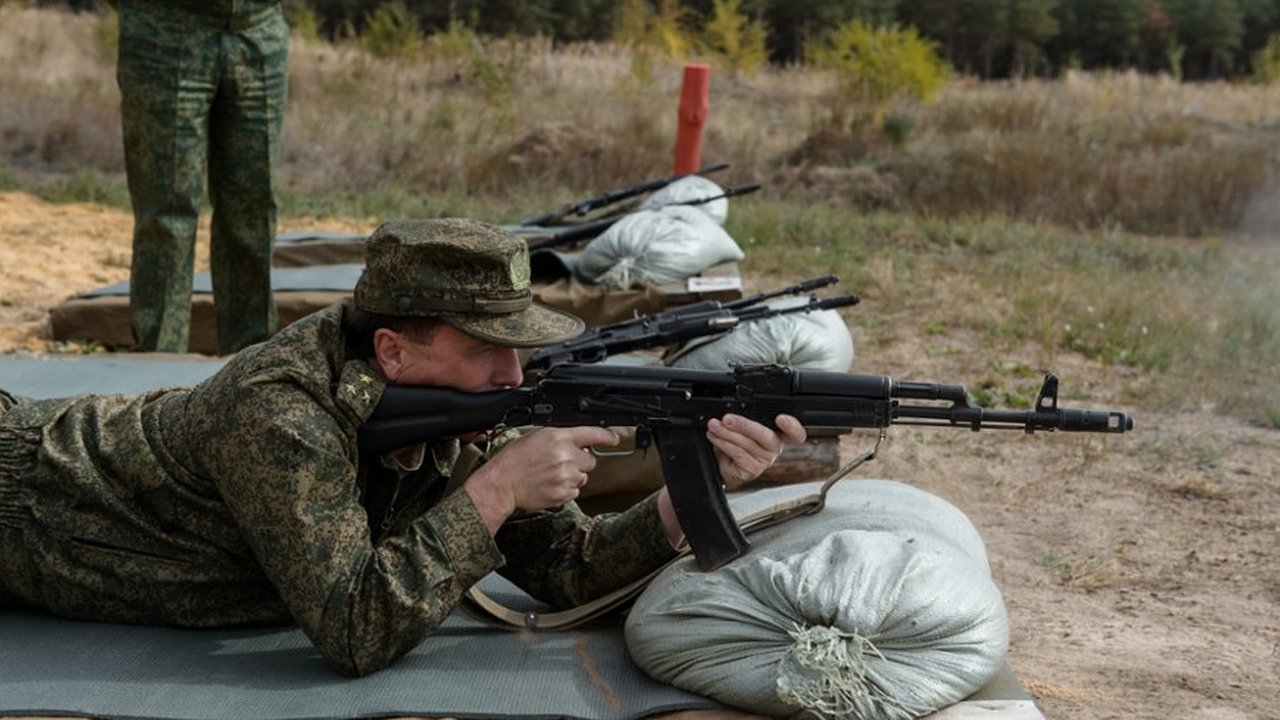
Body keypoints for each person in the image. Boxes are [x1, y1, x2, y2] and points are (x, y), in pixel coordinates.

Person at [0, 218, 806, 677]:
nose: (513, 373)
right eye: (489, 349)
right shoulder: (278, 413)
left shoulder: (454, 404)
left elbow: (565, 572)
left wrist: (683, 498)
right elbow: (354, 629)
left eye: (518, 348)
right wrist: (492, 492)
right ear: (393, 352)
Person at [116, 0, 289, 354]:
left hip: (259, 31)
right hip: (165, 31)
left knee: (253, 210)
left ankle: (253, 368)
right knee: (168, 215)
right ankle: (157, 373)